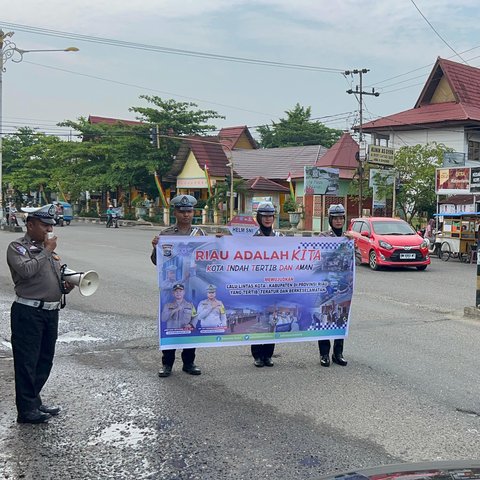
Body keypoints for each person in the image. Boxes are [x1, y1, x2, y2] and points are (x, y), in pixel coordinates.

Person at [7, 204, 75, 424]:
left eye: (51, 226)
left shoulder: (50, 253)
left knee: (44, 361)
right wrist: (46, 250)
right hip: (28, 312)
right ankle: (26, 411)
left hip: (49, 313)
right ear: (30, 225)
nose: (49, 230)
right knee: (27, 362)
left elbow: (51, 279)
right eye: (45, 225)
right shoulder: (17, 247)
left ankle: (34, 401)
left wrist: (65, 287)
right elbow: (26, 271)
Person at [151, 194, 206, 378]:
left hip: (191, 286)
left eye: (189, 211)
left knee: (190, 321)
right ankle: (167, 364)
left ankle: (189, 362)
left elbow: (208, 259)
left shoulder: (199, 234)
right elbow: (155, 261)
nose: (186, 215)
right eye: (182, 211)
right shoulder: (166, 235)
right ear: (175, 212)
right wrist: (155, 248)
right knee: (171, 322)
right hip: (170, 288)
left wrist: (220, 241)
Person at [251, 201, 283, 368]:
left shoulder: (280, 238)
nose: (268, 219)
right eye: (264, 215)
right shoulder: (252, 238)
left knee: (272, 320)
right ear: (259, 217)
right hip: (257, 287)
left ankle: (268, 354)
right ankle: (257, 355)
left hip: (274, 286)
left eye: (270, 215)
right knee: (259, 320)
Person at [318, 204, 348, 367]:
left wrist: (352, 243)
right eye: (335, 218)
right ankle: (324, 354)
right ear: (330, 219)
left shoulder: (348, 238)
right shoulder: (322, 237)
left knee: (341, 318)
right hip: (327, 286)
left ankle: (338, 353)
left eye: (341, 218)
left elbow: (353, 260)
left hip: (343, 287)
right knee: (325, 318)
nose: (338, 221)